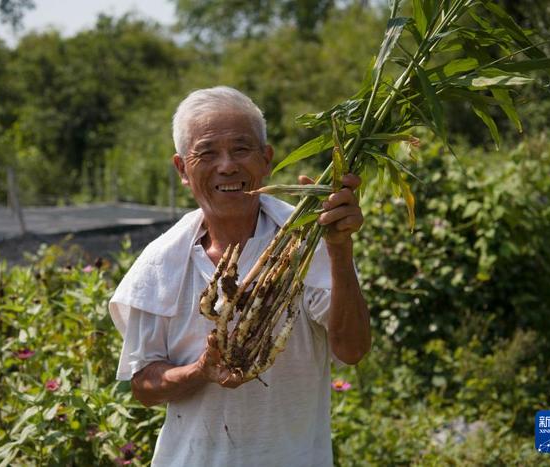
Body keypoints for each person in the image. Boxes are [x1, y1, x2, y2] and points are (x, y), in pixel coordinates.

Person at [109, 86, 370, 466]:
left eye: (241, 149)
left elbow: (353, 349)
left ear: (266, 160)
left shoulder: (309, 240)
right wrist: (201, 370)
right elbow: (144, 386)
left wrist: (341, 251)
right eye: (207, 152)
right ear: (183, 169)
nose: (227, 165)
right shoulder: (161, 265)